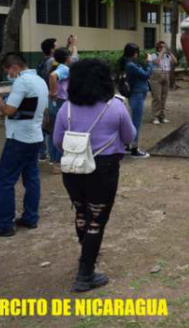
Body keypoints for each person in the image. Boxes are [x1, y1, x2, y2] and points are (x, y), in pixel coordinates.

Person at [53, 59, 136, 292]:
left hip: (73, 169)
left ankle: (86, 252)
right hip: (104, 170)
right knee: (97, 219)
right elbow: (130, 138)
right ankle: (85, 274)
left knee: (81, 211)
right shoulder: (116, 107)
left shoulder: (65, 108)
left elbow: (58, 142)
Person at [0, 53, 49, 237]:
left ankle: (5, 224)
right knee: (32, 178)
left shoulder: (21, 82)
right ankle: (30, 217)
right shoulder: (40, 81)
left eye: (7, 72)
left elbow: (10, 111)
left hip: (18, 137)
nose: (8, 76)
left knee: (5, 180)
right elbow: (40, 109)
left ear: (14, 67)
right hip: (35, 136)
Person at [120, 43, 153, 159]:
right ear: (134, 53)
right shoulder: (131, 65)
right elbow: (146, 75)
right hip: (137, 96)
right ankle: (134, 148)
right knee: (136, 122)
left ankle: (128, 145)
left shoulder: (131, 64)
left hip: (137, 95)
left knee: (133, 121)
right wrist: (150, 62)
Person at [47, 48, 72, 171]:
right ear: (67, 57)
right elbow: (52, 76)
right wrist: (53, 92)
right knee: (61, 132)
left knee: (52, 131)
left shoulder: (55, 66)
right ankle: (58, 162)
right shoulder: (65, 69)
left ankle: (52, 159)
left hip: (54, 102)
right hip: (61, 102)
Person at [37, 38, 57, 162]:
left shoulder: (41, 61)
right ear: (51, 49)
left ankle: (42, 153)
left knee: (43, 125)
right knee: (51, 127)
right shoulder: (52, 62)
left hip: (41, 95)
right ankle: (52, 156)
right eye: (56, 46)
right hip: (50, 96)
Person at [150, 41, 178, 124]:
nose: (164, 48)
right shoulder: (154, 55)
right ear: (158, 47)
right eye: (162, 46)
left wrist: (169, 52)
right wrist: (162, 52)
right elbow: (156, 62)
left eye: (164, 46)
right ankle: (155, 116)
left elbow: (175, 61)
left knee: (164, 97)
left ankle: (162, 116)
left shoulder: (167, 55)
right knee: (157, 97)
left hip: (166, 76)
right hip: (156, 77)